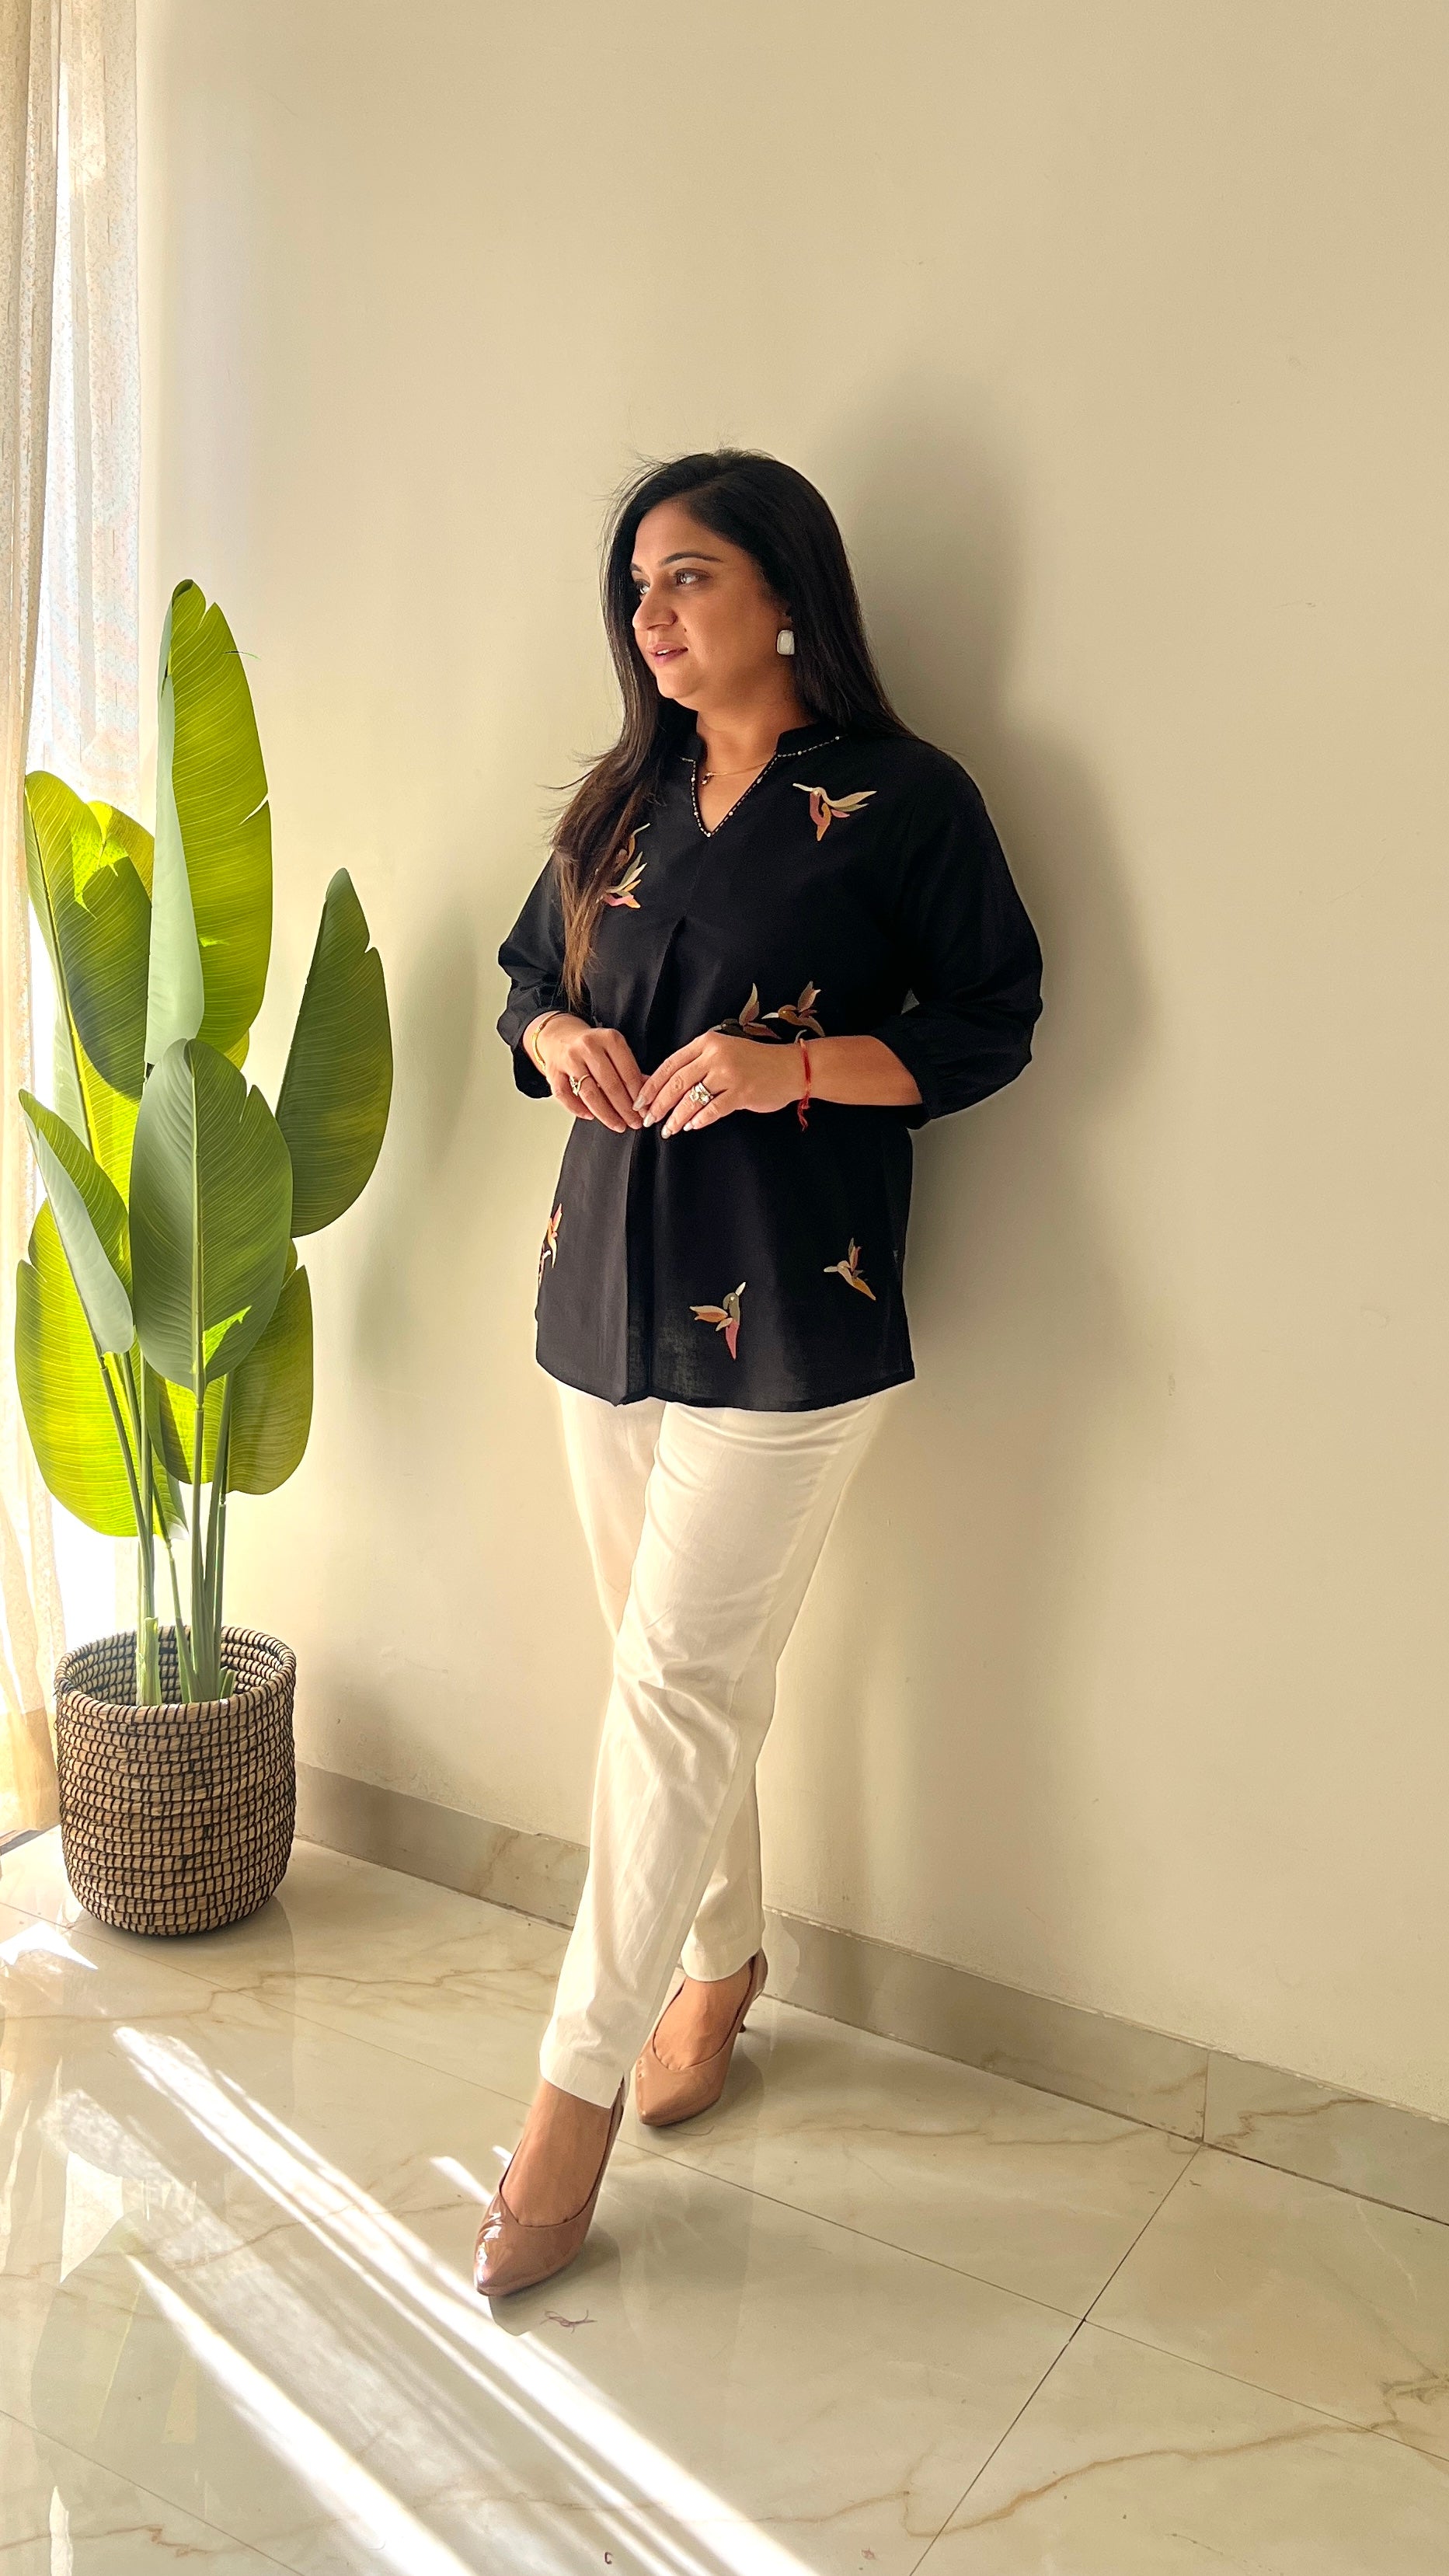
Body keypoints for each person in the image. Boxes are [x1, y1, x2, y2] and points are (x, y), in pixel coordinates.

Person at [477, 448, 1043, 2296]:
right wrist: (556, 1036)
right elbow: (520, 980)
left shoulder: (905, 797)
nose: (650, 613)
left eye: (690, 576)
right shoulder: (621, 799)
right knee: (672, 1682)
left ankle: (566, 2105)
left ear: (787, 593)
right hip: (600, 1295)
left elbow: (993, 1020)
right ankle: (717, 1960)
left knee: (674, 1688)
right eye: (636, 584)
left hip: (793, 1309)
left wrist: (792, 1066)